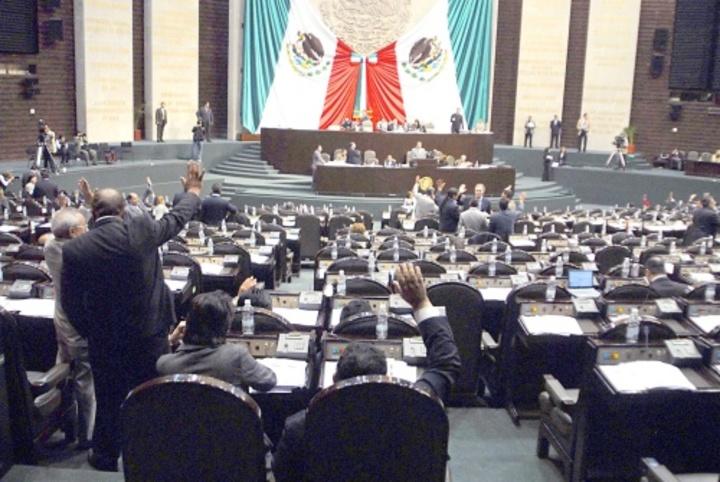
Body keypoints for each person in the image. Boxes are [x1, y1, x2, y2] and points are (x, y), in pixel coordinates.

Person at [61, 162, 204, 471]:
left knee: (108, 398)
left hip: (105, 341)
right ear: (124, 210)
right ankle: (150, 457)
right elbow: (176, 218)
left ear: (93, 213)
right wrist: (192, 191)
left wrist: (91, 332)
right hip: (148, 336)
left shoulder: (75, 249)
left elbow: (70, 303)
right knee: (150, 396)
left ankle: (105, 456)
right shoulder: (141, 231)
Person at [272, 263, 461, 482]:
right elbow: (446, 362)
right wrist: (421, 303)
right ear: (386, 378)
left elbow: (283, 474)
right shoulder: (418, 411)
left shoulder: (303, 425)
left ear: (334, 381)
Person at [44, 208, 95, 450]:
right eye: (85, 227)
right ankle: (87, 437)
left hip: (61, 322)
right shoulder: (79, 256)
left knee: (62, 374)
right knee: (85, 381)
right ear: (74, 232)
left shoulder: (50, 247)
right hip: (78, 326)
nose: (89, 230)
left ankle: (65, 425)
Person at [156, 290, 277, 391]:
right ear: (225, 327)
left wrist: (170, 341)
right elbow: (268, 381)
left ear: (187, 323)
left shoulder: (164, 365)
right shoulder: (236, 356)